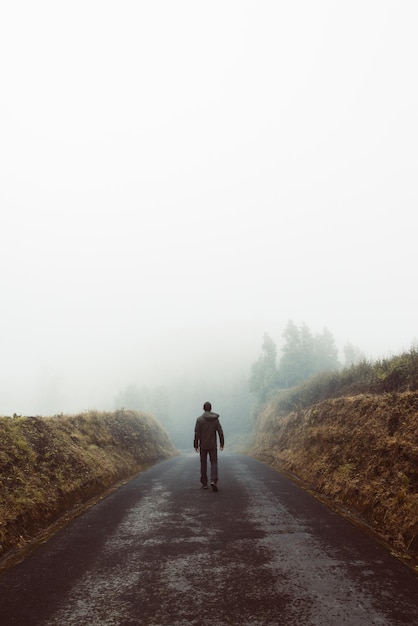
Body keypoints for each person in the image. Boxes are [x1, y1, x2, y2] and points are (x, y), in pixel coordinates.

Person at [194, 401, 224, 491]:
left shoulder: (199, 420)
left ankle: (204, 484)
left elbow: (197, 433)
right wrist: (222, 443)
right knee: (214, 462)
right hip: (213, 445)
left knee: (203, 463)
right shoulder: (215, 419)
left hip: (203, 445)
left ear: (204, 408)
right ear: (210, 408)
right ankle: (213, 480)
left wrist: (195, 445)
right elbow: (220, 431)